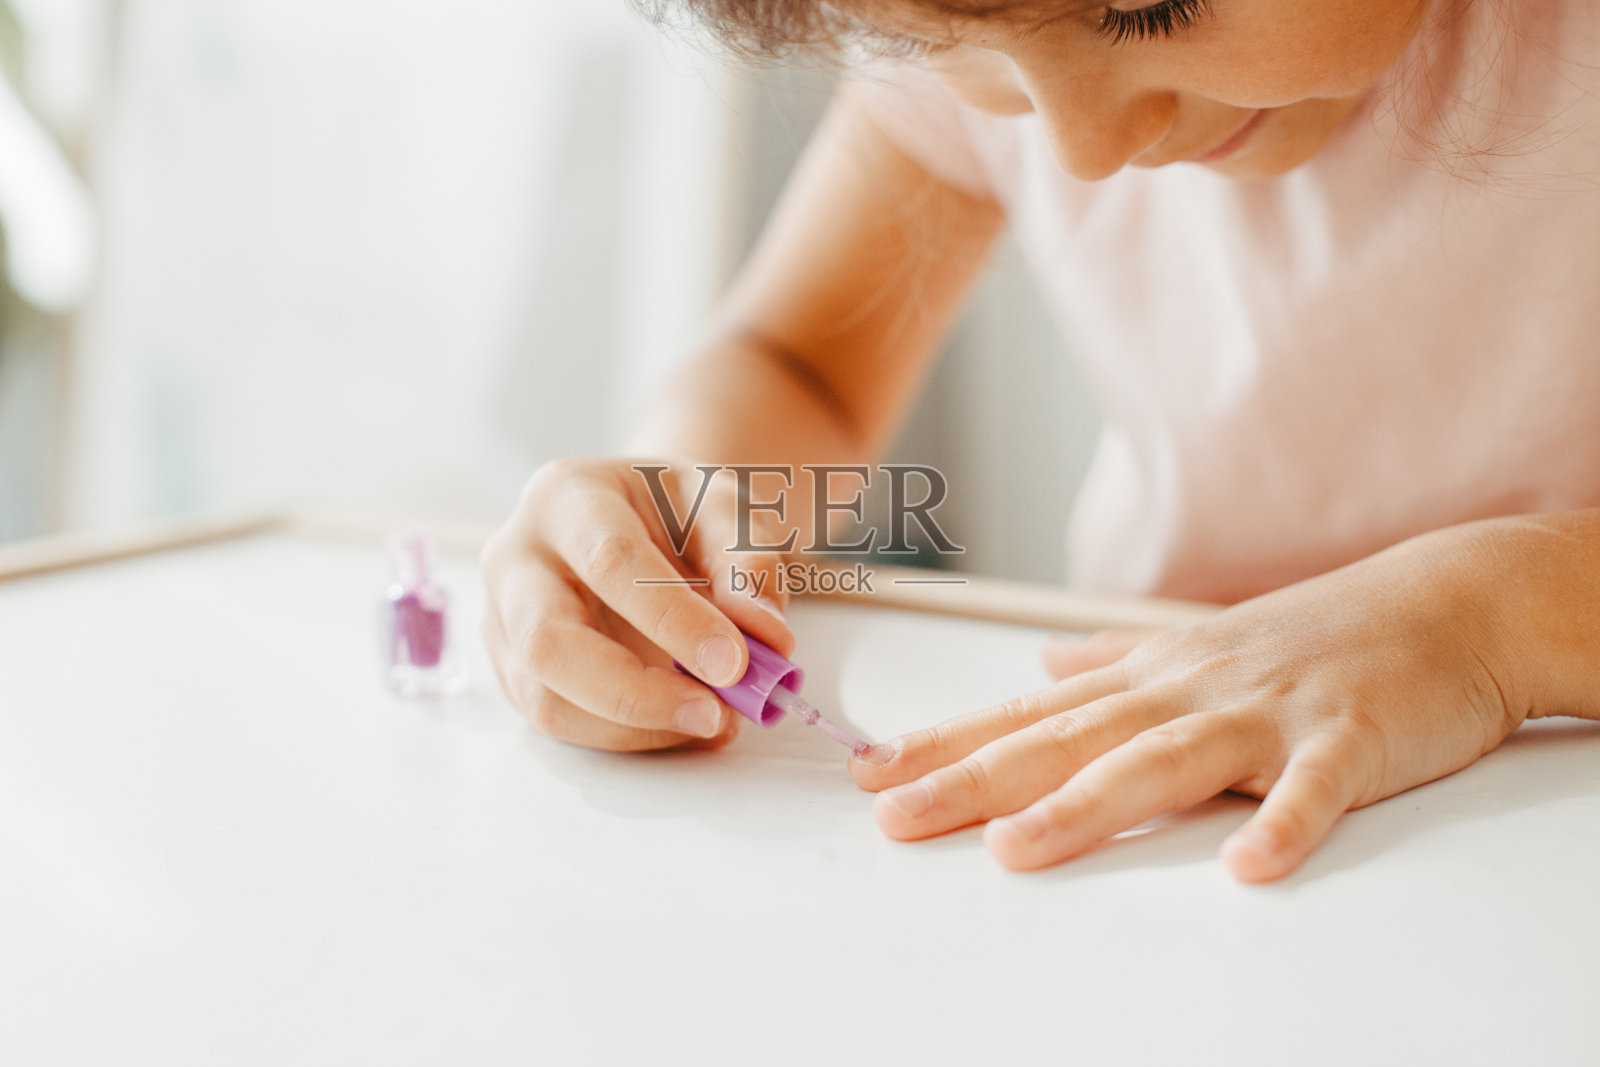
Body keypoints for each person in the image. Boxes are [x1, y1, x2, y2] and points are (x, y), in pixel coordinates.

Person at [479, 0, 1600, 882]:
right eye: (947, 47)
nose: (1084, 148)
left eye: (1150, 7)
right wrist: (681, 507)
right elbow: (798, 361)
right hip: (1158, 816)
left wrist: (1484, 620)